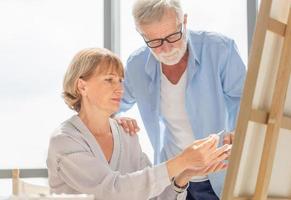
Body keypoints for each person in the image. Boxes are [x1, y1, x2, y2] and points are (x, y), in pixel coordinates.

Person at [46, 48, 230, 200]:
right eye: (109, 80)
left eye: (120, 80)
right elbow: (111, 192)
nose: (119, 88)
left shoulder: (126, 134)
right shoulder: (65, 141)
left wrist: (183, 176)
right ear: (82, 86)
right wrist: (180, 161)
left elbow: (153, 195)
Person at [119, 0, 247, 199]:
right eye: (155, 42)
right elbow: (112, 103)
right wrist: (115, 118)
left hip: (221, 177)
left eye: (172, 36)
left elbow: (244, 99)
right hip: (173, 183)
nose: (166, 48)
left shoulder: (220, 50)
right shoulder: (136, 65)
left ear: (184, 21)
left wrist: (238, 130)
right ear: (141, 34)